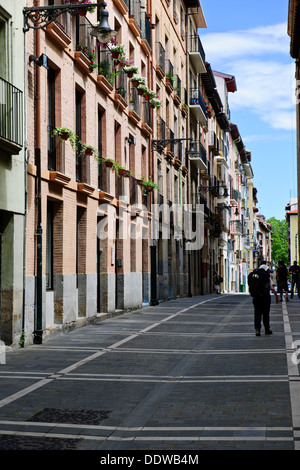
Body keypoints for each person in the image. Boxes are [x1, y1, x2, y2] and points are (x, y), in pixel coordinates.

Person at [252, 262, 279, 336]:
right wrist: (276, 296)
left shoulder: (254, 276)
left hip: (256, 297)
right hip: (265, 297)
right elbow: (272, 288)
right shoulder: (267, 277)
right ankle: (267, 329)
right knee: (266, 314)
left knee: (257, 314)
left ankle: (257, 330)